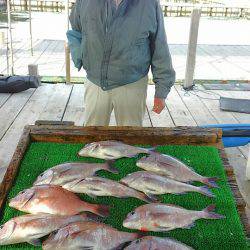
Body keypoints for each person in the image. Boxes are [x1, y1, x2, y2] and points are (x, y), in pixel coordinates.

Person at [69, 0, 175, 126]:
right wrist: (80, 57)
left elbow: (159, 45)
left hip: (132, 83)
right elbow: (75, 31)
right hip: (95, 82)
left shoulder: (150, 3)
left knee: (131, 140)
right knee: (93, 139)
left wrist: (162, 90)